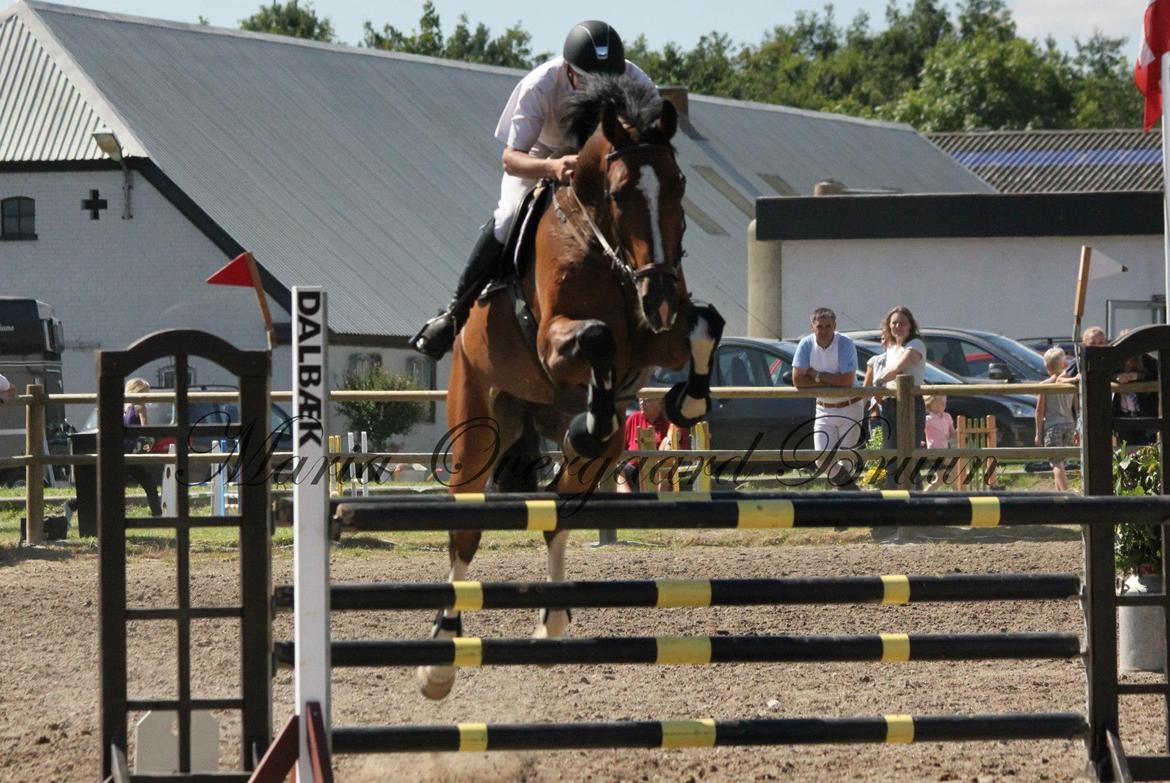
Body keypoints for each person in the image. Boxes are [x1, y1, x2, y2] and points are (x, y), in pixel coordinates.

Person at [411, 20, 656, 359]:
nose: (601, 88)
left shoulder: (636, 79)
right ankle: (455, 313)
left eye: (608, 80)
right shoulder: (540, 85)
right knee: (508, 216)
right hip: (541, 157)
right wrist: (552, 167)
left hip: (603, 165)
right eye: (589, 79)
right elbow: (510, 159)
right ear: (569, 71)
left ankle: (661, 290)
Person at [792, 307, 863, 490]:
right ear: (812, 327)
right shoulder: (806, 344)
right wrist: (831, 382)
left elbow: (847, 380)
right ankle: (852, 492)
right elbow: (798, 380)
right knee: (821, 458)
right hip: (824, 407)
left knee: (847, 459)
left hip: (850, 406)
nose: (823, 331)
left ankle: (847, 499)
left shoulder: (845, 343)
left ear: (835, 326)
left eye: (828, 326)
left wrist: (815, 375)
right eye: (819, 326)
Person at [874, 306, 926, 488]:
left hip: (911, 404)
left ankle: (917, 502)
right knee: (891, 456)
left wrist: (878, 382)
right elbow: (887, 372)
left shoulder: (916, 345)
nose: (898, 326)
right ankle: (893, 501)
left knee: (909, 455)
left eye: (902, 323)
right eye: (894, 322)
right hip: (889, 404)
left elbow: (898, 368)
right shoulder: (891, 347)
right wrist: (879, 391)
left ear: (910, 325)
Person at [617, 397, 689, 492]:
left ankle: (658, 498)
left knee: (668, 446)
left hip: (659, 468)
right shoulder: (633, 418)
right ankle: (627, 501)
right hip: (634, 466)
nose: (642, 403)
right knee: (615, 469)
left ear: (659, 402)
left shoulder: (668, 420)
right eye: (640, 400)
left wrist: (668, 441)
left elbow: (677, 442)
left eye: (646, 400)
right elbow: (620, 448)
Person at [1035, 348, 1077, 491]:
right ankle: (1058, 494)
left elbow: (1040, 411)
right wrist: (1078, 426)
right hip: (1070, 425)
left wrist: (1038, 433)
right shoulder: (1070, 384)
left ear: (1047, 367)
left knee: (1056, 463)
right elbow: (1076, 407)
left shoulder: (1045, 386)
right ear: (1065, 365)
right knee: (1062, 463)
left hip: (1052, 426)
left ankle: (1065, 493)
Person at [123, 378, 163, 516]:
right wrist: (150, 441)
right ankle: (158, 516)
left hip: (123, 451)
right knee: (150, 484)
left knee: (109, 487)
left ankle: (73, 505)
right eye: (146, 393)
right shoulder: (140, 407)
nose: (148, 396)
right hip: (131, 455)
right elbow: (146, 429)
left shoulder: (125, 407)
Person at [923, 394, 955, 491]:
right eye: (940, 403)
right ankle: (958, 492)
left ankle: (925, 494)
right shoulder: (928, 419)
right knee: (947, 474)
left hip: (945, 450)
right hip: (934, 451)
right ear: (930, 404)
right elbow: (920, 431)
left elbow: (952, 432)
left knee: (944, 478)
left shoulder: (947, 417)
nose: (943, 405)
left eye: (944, 403)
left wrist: (956, 434)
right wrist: (921, 441)